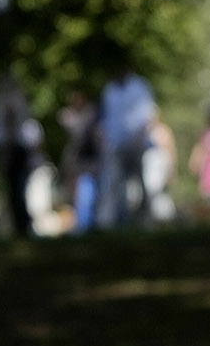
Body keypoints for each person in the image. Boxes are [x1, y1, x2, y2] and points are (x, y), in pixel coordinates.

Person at [95, 63, 155, 229]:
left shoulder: (139, 86)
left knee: (141, 184)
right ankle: (109, 222)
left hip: (136, 144)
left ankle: (144, 220)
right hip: (115, 144)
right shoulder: (110, 89)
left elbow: (147, 114)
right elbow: (107, 117)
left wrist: (138, 137)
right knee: (113, 182)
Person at [0, 72, 34, 238]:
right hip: (15, 148)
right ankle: (21, 224)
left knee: (14, 189)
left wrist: (6, 152)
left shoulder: (7, 102)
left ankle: (21, 225)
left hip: (11, 149)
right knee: (17, 188)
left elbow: (8, 127)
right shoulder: (18, 100)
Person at [57, 89, 98, 234]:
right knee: (74, 194)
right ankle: (78, 224)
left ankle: (87, 223)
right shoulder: (68, 116)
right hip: (76, 160)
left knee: (88, 193)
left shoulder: (91, 114)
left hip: (89, 160)